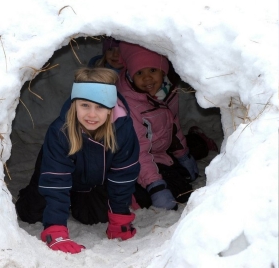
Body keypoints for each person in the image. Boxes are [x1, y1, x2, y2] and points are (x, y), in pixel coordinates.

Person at [15, 67, 140, 254]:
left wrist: (119, 219)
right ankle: (33, 193)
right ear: (75, 104)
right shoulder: (60, 131)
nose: (91, 114)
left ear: (110, 108)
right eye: (85, 105)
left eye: (100, 107)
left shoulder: (122, 130)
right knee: (32, 213)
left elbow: (123, 176)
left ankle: (73, 200)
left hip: (89, 183)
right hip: (56, 175)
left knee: (95, 217)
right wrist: (55, 229)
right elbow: (56, 180)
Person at [116, 41, 202, 210]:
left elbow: (173, 125)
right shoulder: (127, 104)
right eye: (139, 72)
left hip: (160, 150)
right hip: (133, 158)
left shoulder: (166, 90)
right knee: (176, 190)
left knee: (185, 176)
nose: (147, 78)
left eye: (153, 70)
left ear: (163, 71)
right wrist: (155, 186)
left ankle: (200, 141)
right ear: (131, 75)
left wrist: (183, 155)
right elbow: (137, 149)